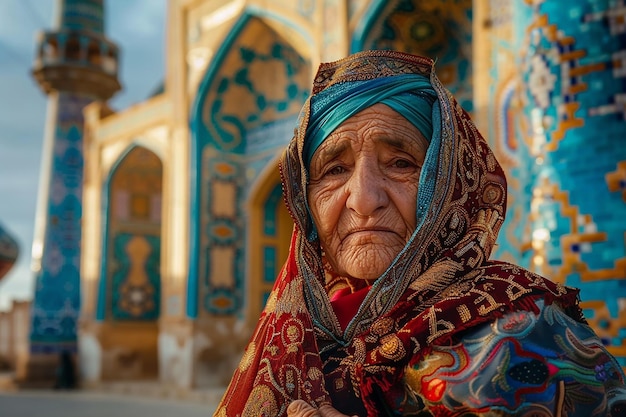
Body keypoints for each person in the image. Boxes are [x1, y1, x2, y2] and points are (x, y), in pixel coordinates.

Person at [214, 50, 626, 416]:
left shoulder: (524, 330)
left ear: (450, 183)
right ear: (305, 201)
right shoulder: (296, 335)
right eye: (334, 170)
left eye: (401, 163)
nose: (363, 198)